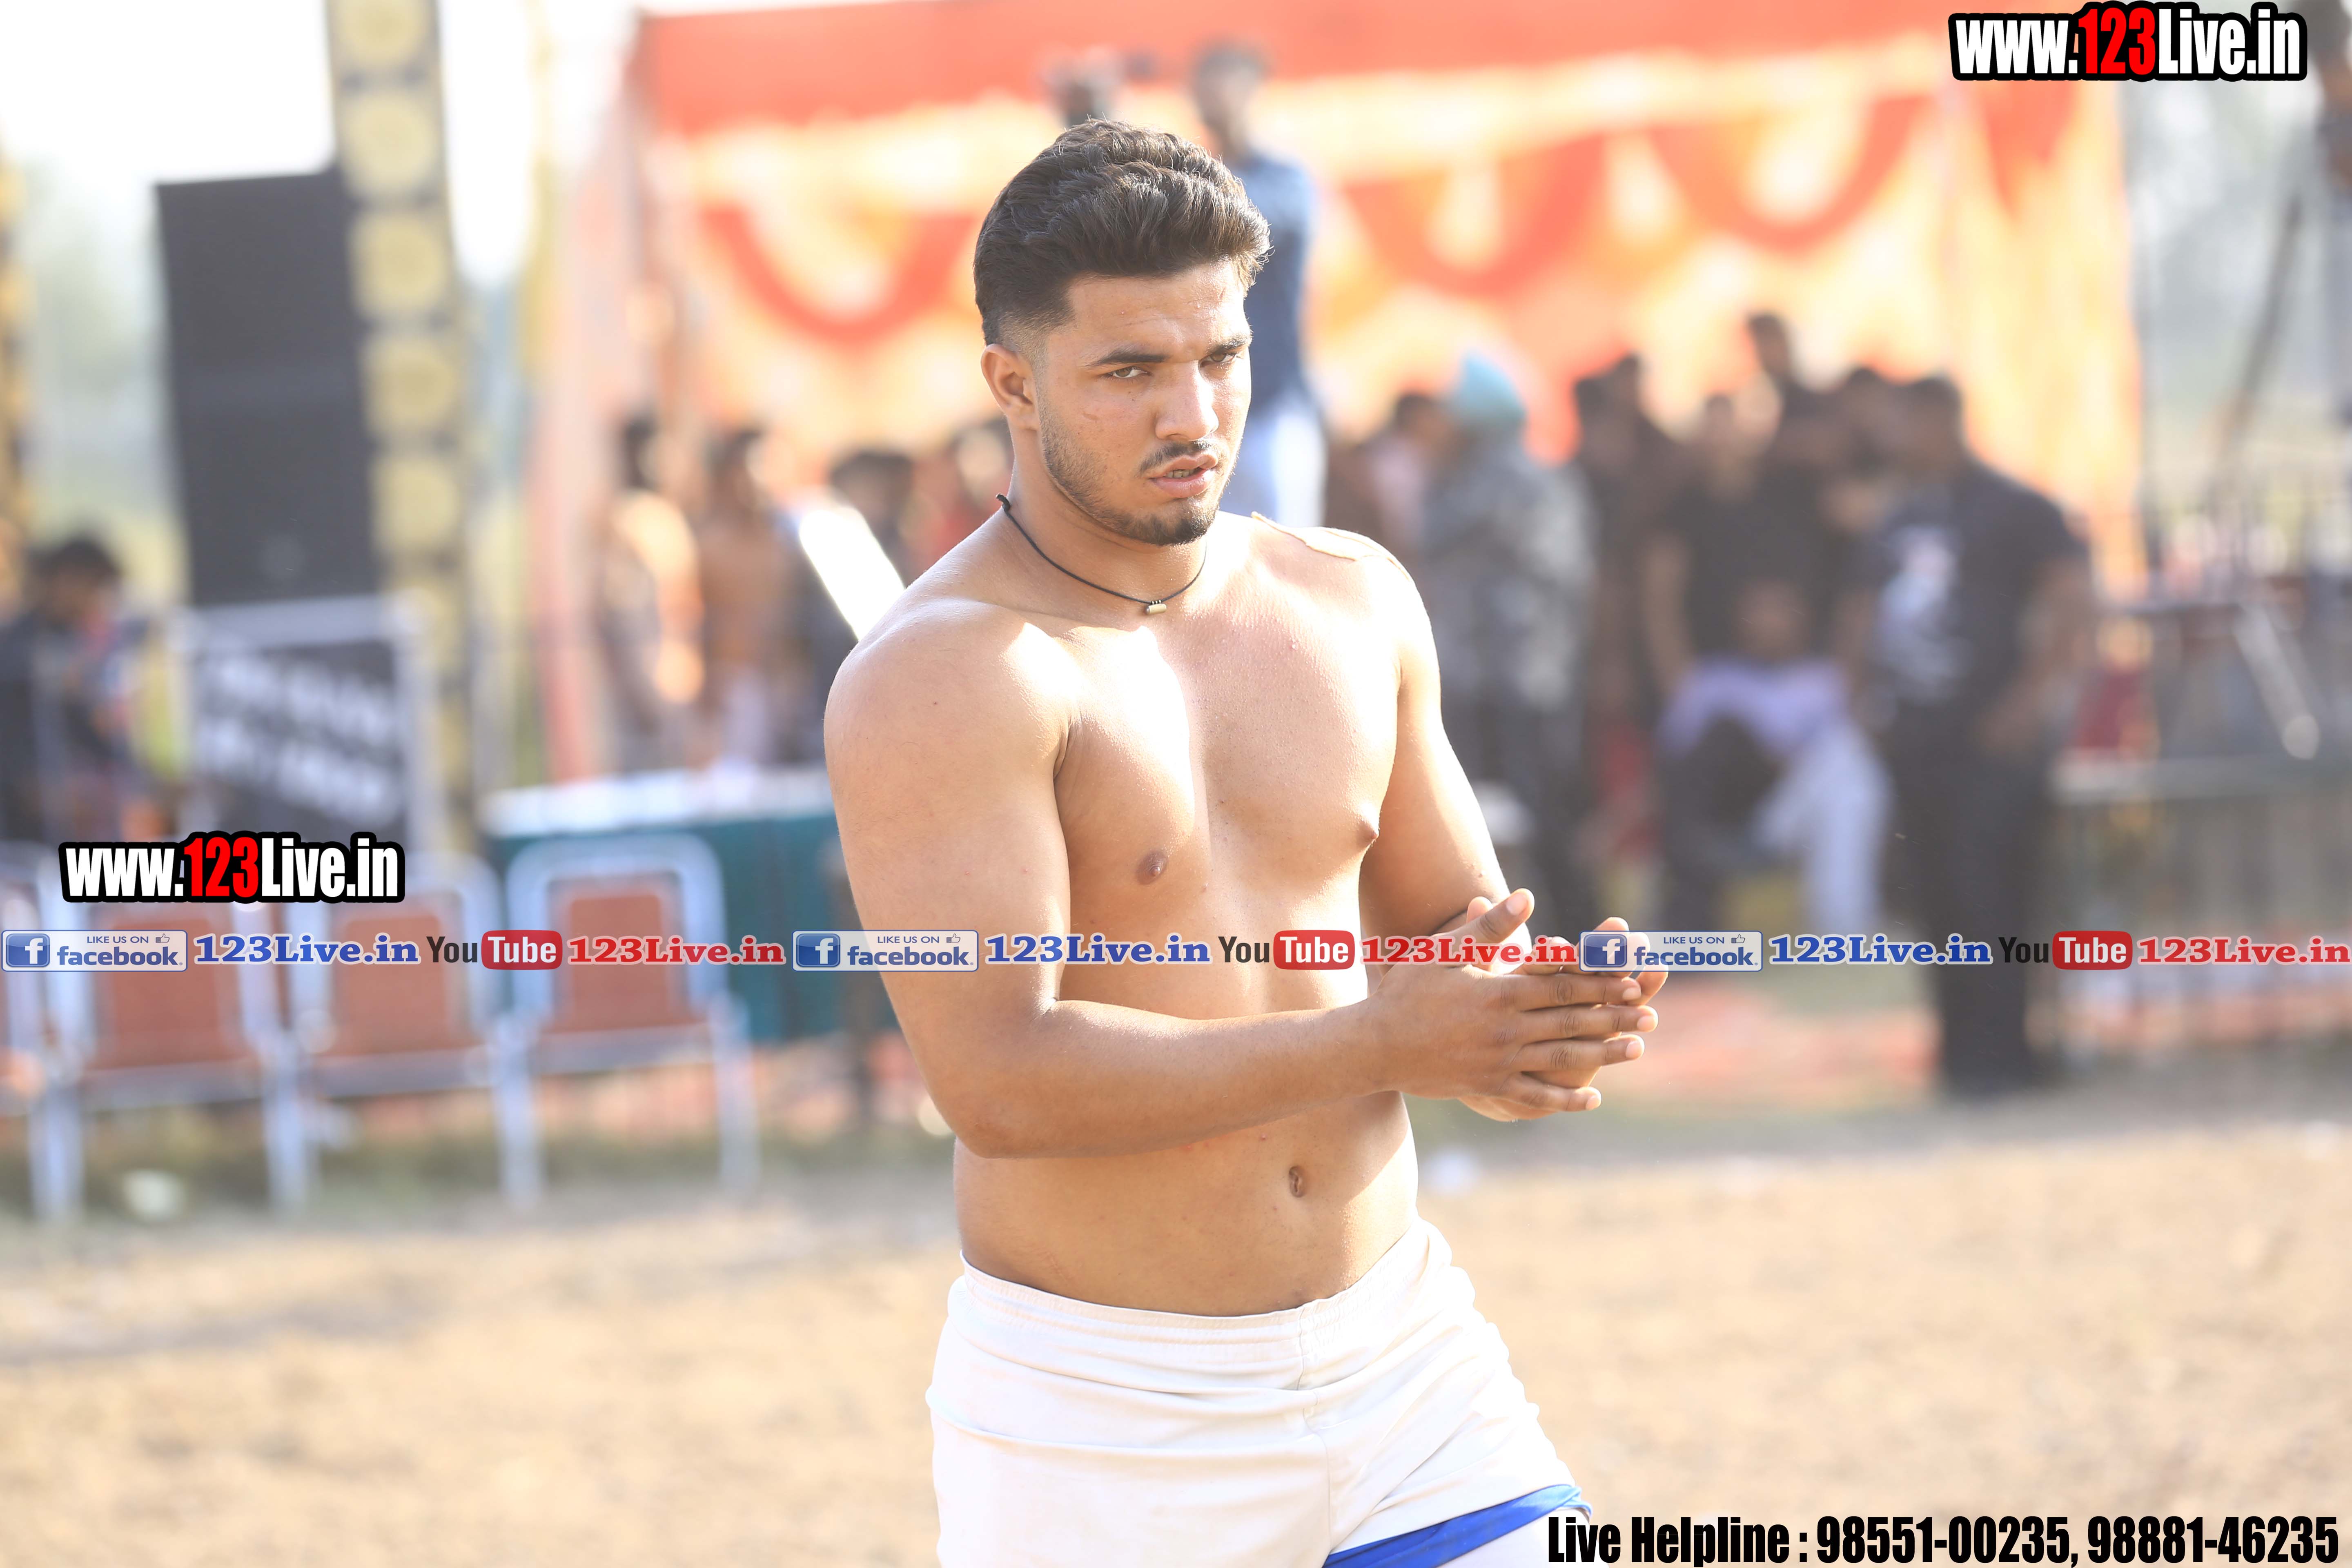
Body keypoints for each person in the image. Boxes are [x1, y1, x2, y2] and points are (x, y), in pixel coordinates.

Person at [825, 122, 1664, 1567]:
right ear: (1013, 384)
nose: (1192, 411)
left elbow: (1455, 941)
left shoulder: (1350, 598)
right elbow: (998, 1077)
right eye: (1130, 370)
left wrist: (1540, 1023)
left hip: (1404, 1367)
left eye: (1221, 357)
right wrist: (1384, 1041)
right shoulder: (944, 672)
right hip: (1104, 1421)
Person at [1851, 375, 2093, 1097]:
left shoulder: (2016, 509)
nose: (1892, 438)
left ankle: (2006, 1057)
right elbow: (1859, 613)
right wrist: (1859, 699)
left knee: (1995, 898)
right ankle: (1960, 1058)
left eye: (1904, 421)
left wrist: (2028, 702)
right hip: (1916, 741)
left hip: (1993, 746)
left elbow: (2071, 603)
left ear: (1940, 419)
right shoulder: (1897, 518)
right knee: (1936, 903)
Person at [1419, 353, 1596, 935]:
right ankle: (1544, 930)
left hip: (1517, 677)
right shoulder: (1499, 479)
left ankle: (1557, 929)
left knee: (1525, 812)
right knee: (1503, 812)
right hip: (1500, 676)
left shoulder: (1503, 481)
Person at [1652, 575, 1889, 933]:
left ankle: (1843, 928)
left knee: (1847, 756)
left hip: (1794, 807)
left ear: (1802, 619)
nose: (1768, 621)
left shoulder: (1825, 681)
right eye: (1758, 610)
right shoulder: (1710, 679)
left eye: (1779, 610)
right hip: (1729, 809)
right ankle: (1843, 929)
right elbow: (1678, 763)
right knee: (1726, 732)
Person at [1193, 40, 1326, 529]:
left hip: (1274, 407)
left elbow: (1241, 222)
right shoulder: (1198, 177)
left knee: (1285, 550)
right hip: (1207, 408)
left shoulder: (1287, 179)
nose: (1212, 97)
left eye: (1224, 84)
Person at [0, 533, 144, 841]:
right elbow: (15, 753)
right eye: (96, 587)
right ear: (67, 580)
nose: (100, 602)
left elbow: (94, 735)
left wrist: (143, 784)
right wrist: (43, 793)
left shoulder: (70, 644)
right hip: (22, 834)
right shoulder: (16, 649)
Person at [597, 414, 702, 772]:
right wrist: (646, 687)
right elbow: (622, 611)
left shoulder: (664, 515)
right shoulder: (628, 519)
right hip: (650, 685)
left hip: (676, 681)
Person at [697, 425, 806, 767]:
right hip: (735, 686)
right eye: (746, 469)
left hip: (787, 683)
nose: (756, 480)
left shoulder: (791, 541)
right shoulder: (711, 545)